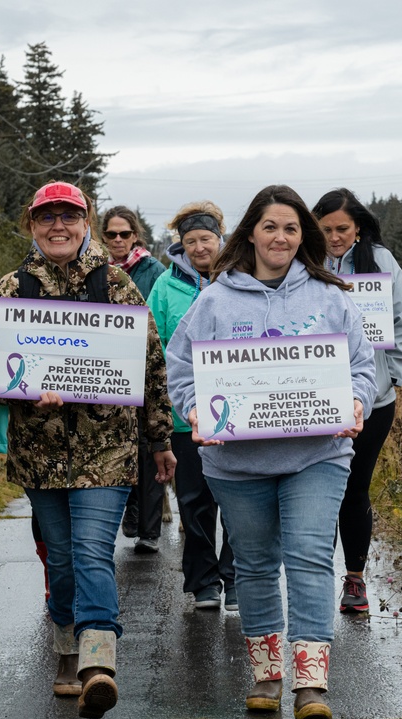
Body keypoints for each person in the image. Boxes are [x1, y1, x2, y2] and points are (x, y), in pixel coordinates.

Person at [165, 184, 376, 719]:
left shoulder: (331, 296)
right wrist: (193, 409)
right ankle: (267, 674)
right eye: (269, 227)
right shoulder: (214, 299)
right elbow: (181, 367)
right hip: (236, 463)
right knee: (256, 566)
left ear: (301, 234)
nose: (280, 237)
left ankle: (310, 683)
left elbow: (361, 367)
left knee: (308, 556)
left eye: (290, 228)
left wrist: (355, 401)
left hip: (317, 455)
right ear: (251, 233)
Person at [0, 181, 176, 719]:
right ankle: (65, 650)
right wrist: (23, 391)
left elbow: (151, 363)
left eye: (69, 216)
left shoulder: (117, 284)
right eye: (46, 217)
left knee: (90, 552)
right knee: (59, 561)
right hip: (39, 453)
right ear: (31, 225)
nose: (57, 226)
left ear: (87, 223)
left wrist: (158, 438)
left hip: (106, 450)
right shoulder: (13, 288)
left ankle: (97, 662)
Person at [312, 188, 402, 613]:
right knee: (318, 489)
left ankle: (354, 581)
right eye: (326, 230)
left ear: (358, 228)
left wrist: (392, 377)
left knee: (355, 486)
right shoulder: (307, 263)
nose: (335, 237)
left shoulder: (382, 262)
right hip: (317, 397)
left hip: (372, 401)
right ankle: (315, 582)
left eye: (342, 229)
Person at [147, 201, 237, 609]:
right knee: (194, 502)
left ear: (221, 238)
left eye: (206, 239)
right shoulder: (165, 287)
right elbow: (155, 346)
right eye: (190, 241)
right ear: (179, 245)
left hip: (239, 414)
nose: (200, 248)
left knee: (239, 502)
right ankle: (203, 582)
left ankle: (236, 578)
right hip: (187, 416)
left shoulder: (243, 278)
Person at [101, 205, 167, 553]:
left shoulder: (154, 272)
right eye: (111, 234)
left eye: (124, 234)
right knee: (119, 445)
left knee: (150, 447)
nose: (117, 240)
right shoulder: (95, 270)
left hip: (142, 369)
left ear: (135, 236)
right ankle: (130, 510)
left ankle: (149, 530)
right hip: (105, 372)